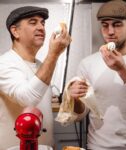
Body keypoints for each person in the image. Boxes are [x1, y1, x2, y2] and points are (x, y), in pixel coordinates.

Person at [65, 0, 126, 149]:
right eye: (105, 25)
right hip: (98, 146)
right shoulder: (87, 63)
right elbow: (80, 115)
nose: (110, 32)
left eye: (117, 24)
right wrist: (75, 99)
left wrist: (122, 69)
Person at [0, 6, 71, 150]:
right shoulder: (4, 63)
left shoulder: (40, 65)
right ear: (15, 31)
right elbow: (27, 99)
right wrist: (53, 54)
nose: (41, 27)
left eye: (42, 23)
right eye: (33, 22)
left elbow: (43, 108)